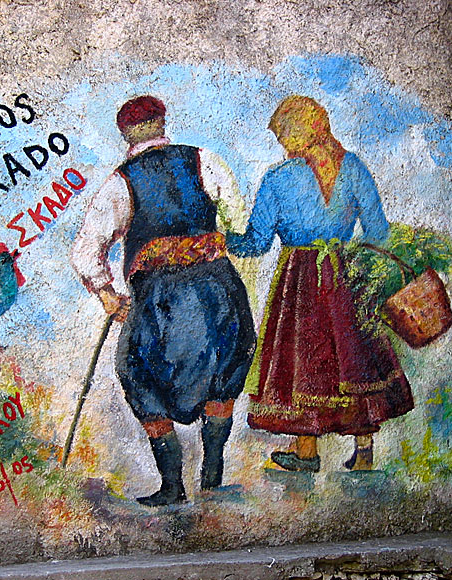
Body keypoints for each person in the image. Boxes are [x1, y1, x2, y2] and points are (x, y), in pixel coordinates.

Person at [71, 96, 255, 505]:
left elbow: (86, 249)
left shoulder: (121, 182)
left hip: (159, 303)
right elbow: (237, 219)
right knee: (223, 367)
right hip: (217, 292)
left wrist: (107, 295)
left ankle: (173, 486)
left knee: (138, 374)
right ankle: (212, 476)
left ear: (125, 134)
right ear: (162, 123)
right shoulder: (203, 160)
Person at [227, 95, 413, 472]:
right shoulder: (354, 167)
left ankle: (306, 452)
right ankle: (363, 453)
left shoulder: (279, 178)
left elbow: (256, 243)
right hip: (347, 273)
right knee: (354, 357)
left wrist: (224, 237)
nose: (282, 145)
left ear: (294, 134)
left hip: (300, 280)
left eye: (283, 136)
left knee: (303, 362)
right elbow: (378, 230)